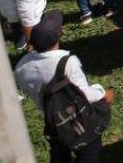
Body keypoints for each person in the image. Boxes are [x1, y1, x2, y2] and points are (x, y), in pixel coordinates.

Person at [14, 10, 113, 162]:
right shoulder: (67, 62)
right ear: (60, 33)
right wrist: (103, 92)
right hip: (79, 117)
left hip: (52, 119)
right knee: (88, 152)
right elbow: (83, 93)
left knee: (59, 154)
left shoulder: (21, 67)